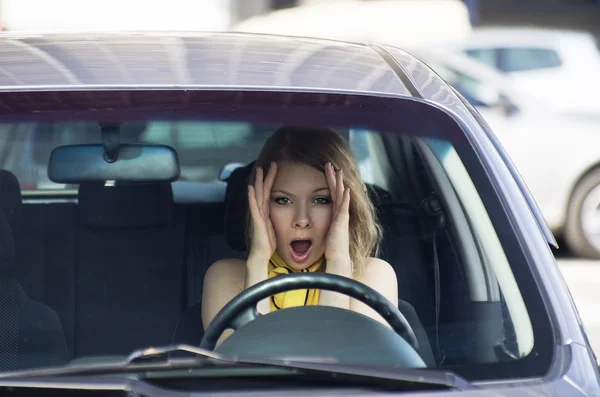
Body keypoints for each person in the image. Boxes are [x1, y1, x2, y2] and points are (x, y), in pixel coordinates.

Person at [201, 125, 398, 339]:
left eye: (321, 200)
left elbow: (344, 366)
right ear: (262, 206)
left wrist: (338, 264)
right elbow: (241, 366)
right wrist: (258, 264)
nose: (302, 220)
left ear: (345, 206)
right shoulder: (226, 277)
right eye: (283, 200)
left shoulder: (372, 277)